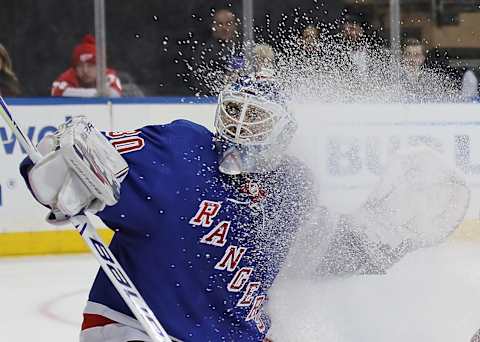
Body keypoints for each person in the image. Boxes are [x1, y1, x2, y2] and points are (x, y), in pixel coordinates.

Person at [19, 74, 469, 341]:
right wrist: (67, 171)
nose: (239, 126)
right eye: (233, 111)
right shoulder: (180, 153)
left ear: (283, 133)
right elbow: (62, 171)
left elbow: (317, 252)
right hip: (137, 325)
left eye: (256, 118)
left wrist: (377, 244)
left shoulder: (292, 187)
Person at [190, 9, 242, 95]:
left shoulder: (244, 48)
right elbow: (198, 81)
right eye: (220, 24)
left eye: (228, 23)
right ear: (213, 27)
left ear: (235, 26)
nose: (224, 28)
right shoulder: (203, 52)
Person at [51, 34, 122, 97]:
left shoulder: (108, 75)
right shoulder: (70, 74)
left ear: (100, 67)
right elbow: (56, 91)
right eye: (80, 66)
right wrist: (96, 93)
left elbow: (115, 94)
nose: (85, 70)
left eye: (90, 65)